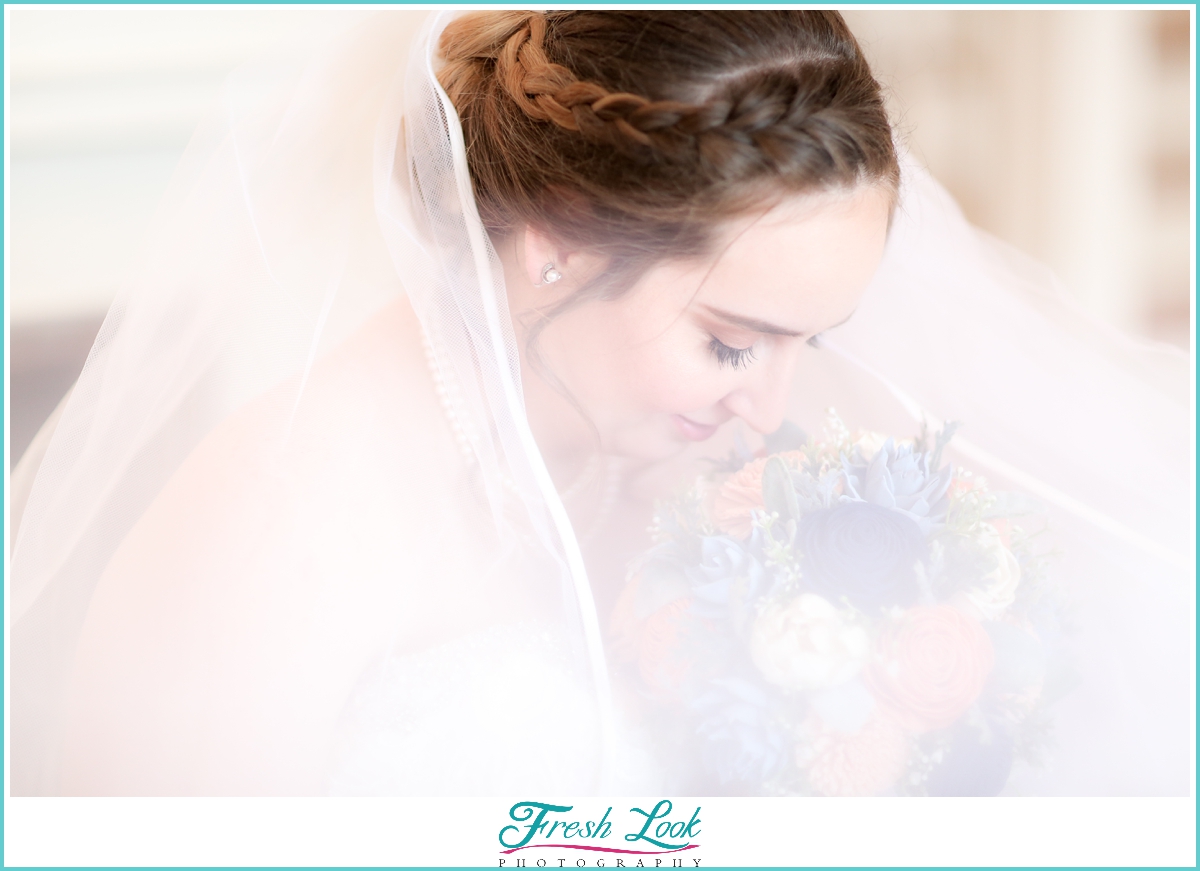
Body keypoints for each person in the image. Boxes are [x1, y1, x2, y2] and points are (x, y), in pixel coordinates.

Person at [9, 10, 1190, 797]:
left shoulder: (738, 465)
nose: (773, 402)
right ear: (558, 244)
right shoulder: (265, 544)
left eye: (809, 338)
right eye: (731, 342)